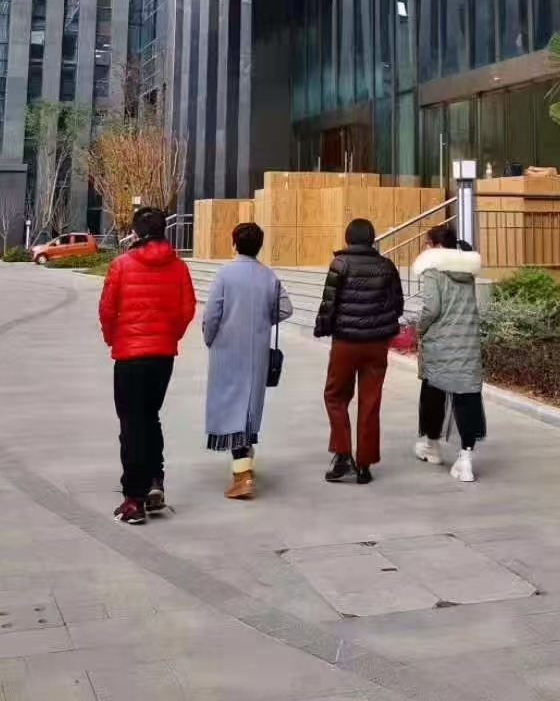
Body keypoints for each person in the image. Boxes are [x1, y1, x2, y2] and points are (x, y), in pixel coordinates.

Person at [98, 206, 196, 524]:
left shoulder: (121, 265)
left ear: (136, 232)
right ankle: (155, 481)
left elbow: (107, 310)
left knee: (132, 425)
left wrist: (113, 339)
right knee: (150, 418)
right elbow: (187, 310)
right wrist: (169, 336)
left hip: (129, 357)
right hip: (162, 357)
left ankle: (134, 498)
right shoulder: (178, 267)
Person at [202, 222, 293, 500]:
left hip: (227, 350)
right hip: (257, 352)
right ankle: (244, 464)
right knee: (248, 411)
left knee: (230, 410)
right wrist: (263, 320)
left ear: (234, 243)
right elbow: (285, 308)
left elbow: (211, 314)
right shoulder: (268, 276)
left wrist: (210, 338)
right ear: (259, 246)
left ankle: (243, 475)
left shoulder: (225, 274)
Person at [315, 218, 404, 485]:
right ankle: (365, 465)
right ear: (372, 238)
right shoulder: (386, 266)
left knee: (335, 396)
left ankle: (343, 455)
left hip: (346, 342)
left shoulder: (340, 264)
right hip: (376, 344)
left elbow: (328, 303)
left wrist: (322, 328)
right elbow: (397, 304)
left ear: (348, 237)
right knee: (370, 401)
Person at [411, 226, 485, 483]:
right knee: (466, 396)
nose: (425, 249)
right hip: (467, 341)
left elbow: (432, 308)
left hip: (441, 342)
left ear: (437, 246)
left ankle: (431, 446)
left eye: (427, 243)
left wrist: (419, 328)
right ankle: (465, 459)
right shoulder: (467, 270)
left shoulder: (433, 269)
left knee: (433, 392)